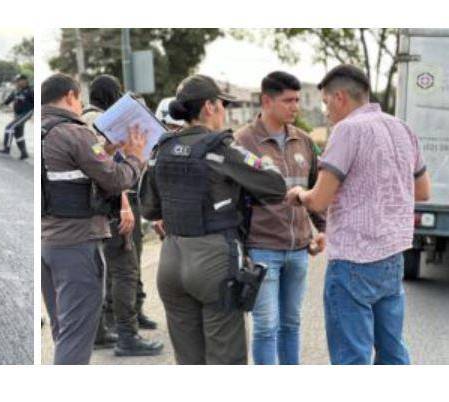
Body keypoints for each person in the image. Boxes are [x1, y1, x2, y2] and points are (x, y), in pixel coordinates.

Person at [287, 64, 432, 365]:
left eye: (326, 103)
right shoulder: (401, 127)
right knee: (392, 353)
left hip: (353, 261)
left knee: (352, 359)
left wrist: (299, 195)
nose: (326, 112)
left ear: (340, 97)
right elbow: (423, 191)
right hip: (392, 258)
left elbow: (319, 200)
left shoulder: (347, 130)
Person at [141, 74, 287, 364]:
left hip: (170, 261)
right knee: (225, 360)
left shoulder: (162, 148)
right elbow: (275, 187)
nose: (224, 111)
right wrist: (261, 168)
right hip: (214, 262)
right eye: (222, 104)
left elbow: (149, 209)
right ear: (209, 106)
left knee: (189, 361)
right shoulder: (222, 148)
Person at [41, 73, 147, 364]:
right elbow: (115, 179)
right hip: (77, 245)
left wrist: (109, 149)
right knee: (75, 341)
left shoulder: (43, 129)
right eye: (79, 100)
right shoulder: (74, 132)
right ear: (71, 96)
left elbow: (78, 163)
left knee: (64, 331)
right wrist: (136, 157)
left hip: (48, 244)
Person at [233, 71, 327, 364]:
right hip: (262, 249)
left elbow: (316, 190)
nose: (295, 106)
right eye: (288, 100)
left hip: (299, 249)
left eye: (298, 100)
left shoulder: (304, 141)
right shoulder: (242, 142)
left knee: (291, 325)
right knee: (266, 327)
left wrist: (323, 229)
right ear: (266, 101)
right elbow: (233, 198)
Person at [80, 74, 163, 356]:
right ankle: (127, 335)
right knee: (124, 268)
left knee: (103, 270)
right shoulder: (101, 123)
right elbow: (110, 168)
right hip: (116, 203)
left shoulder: (82, 120)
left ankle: (102, 330)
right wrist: (125, 202)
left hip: (95, 209)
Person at [0, 74, 34, 160]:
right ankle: (24, 153)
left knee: (9, 127)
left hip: (26, 113)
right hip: (17, 114)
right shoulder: (16, 91)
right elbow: (7, 101)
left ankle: (6, 149)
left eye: (19, 81)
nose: (17, 83)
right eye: (16, 81)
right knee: (18, 134)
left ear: (25, 81)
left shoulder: (31, 90)